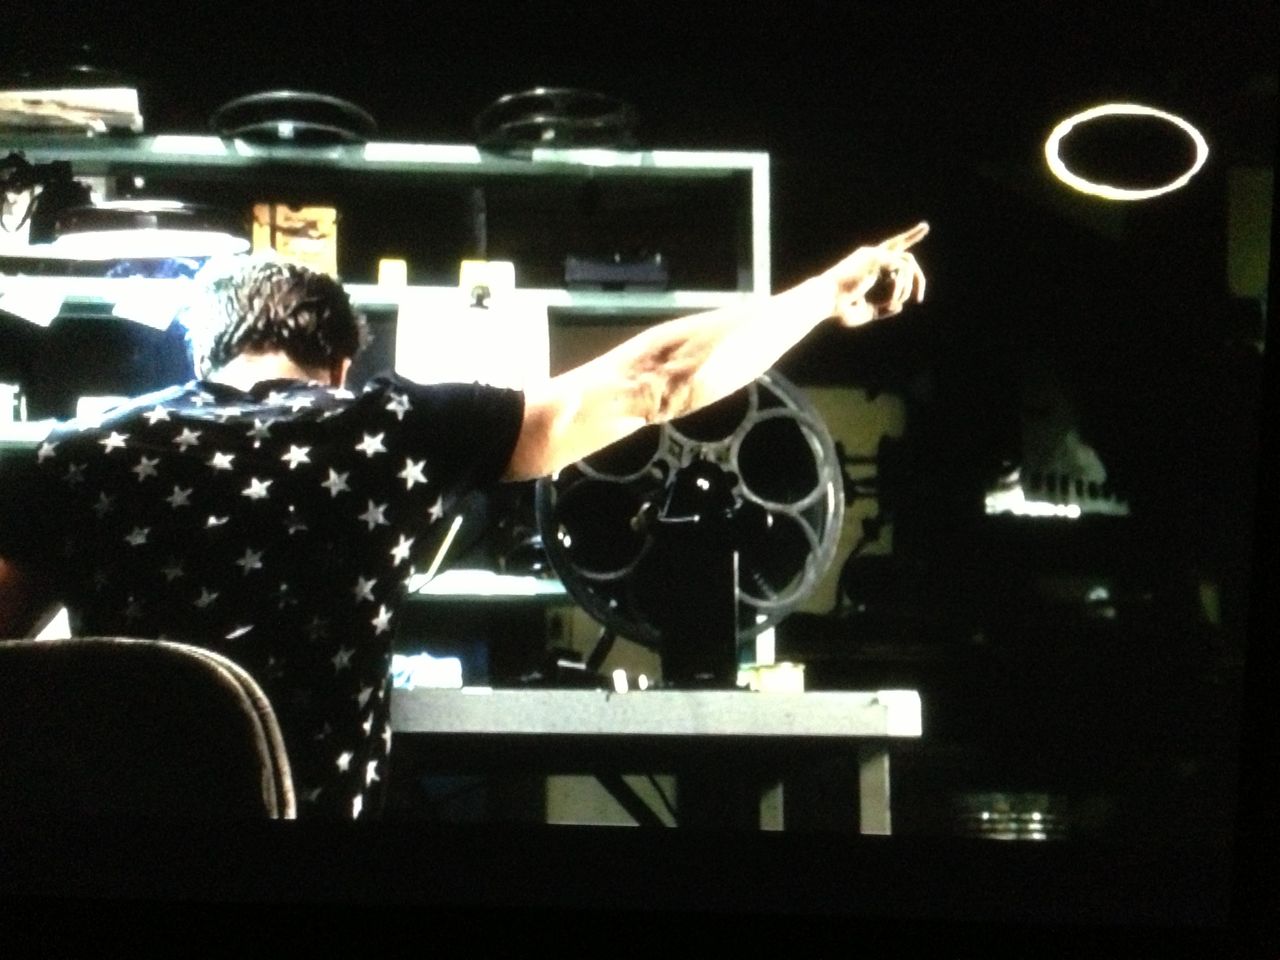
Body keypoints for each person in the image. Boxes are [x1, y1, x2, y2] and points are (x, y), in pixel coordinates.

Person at [0, 222, 928, 818]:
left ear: (204, 356)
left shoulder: (74, 453)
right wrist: (824, 292)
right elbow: (656, 382)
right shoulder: (394, 425)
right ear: (338, 364)